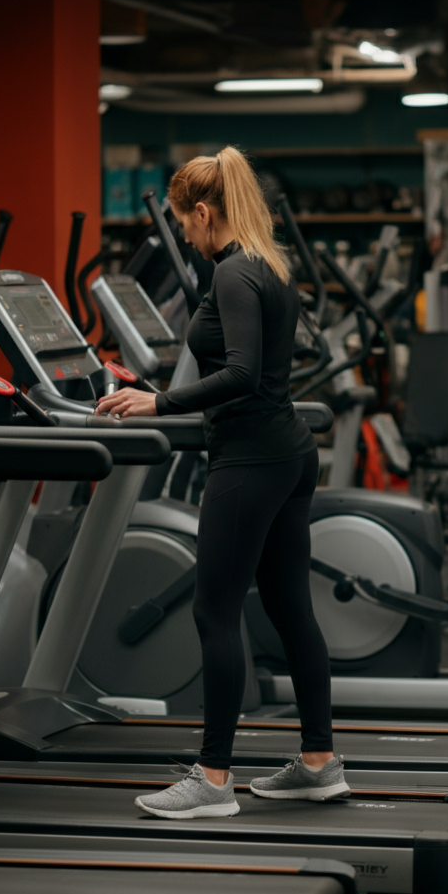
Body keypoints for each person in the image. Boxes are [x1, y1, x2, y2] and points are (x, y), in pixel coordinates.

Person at [95, 146, 349, 819]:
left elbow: (238, 373)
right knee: (291, 607)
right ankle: (320, 762)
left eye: (183, 221)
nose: (182, 233)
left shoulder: (233, 275)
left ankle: (211, 779)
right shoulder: (270, 264)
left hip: (251, 459)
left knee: (215, 611)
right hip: (290, 452)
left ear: (204, 212)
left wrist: (160, 402)